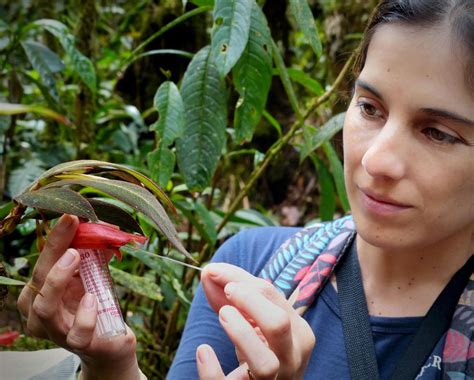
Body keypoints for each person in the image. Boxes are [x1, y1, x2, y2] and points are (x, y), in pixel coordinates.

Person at [17, 0, 473, 379]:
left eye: (438, 132)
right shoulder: (252, 263)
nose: (375, 160)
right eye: (370, 107)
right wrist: (109, 363)